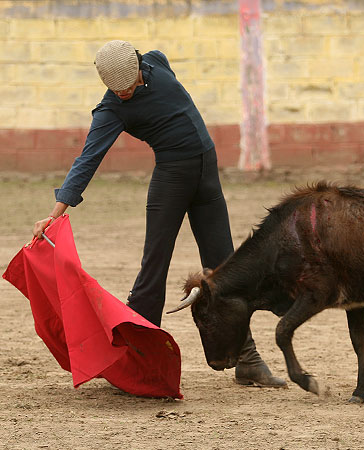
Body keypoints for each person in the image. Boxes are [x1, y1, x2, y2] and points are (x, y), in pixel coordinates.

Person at [32, 40, 286, 388]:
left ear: (140, 67)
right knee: (154, 267)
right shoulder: (111, 110)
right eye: (115, 89)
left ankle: (247, 358)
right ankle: (139, 360)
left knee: (226, 267)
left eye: (128, 86)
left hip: (207, 174)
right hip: (172, 179)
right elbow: (88, 159)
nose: (122, 94)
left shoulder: (157, 62)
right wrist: (56, 210)